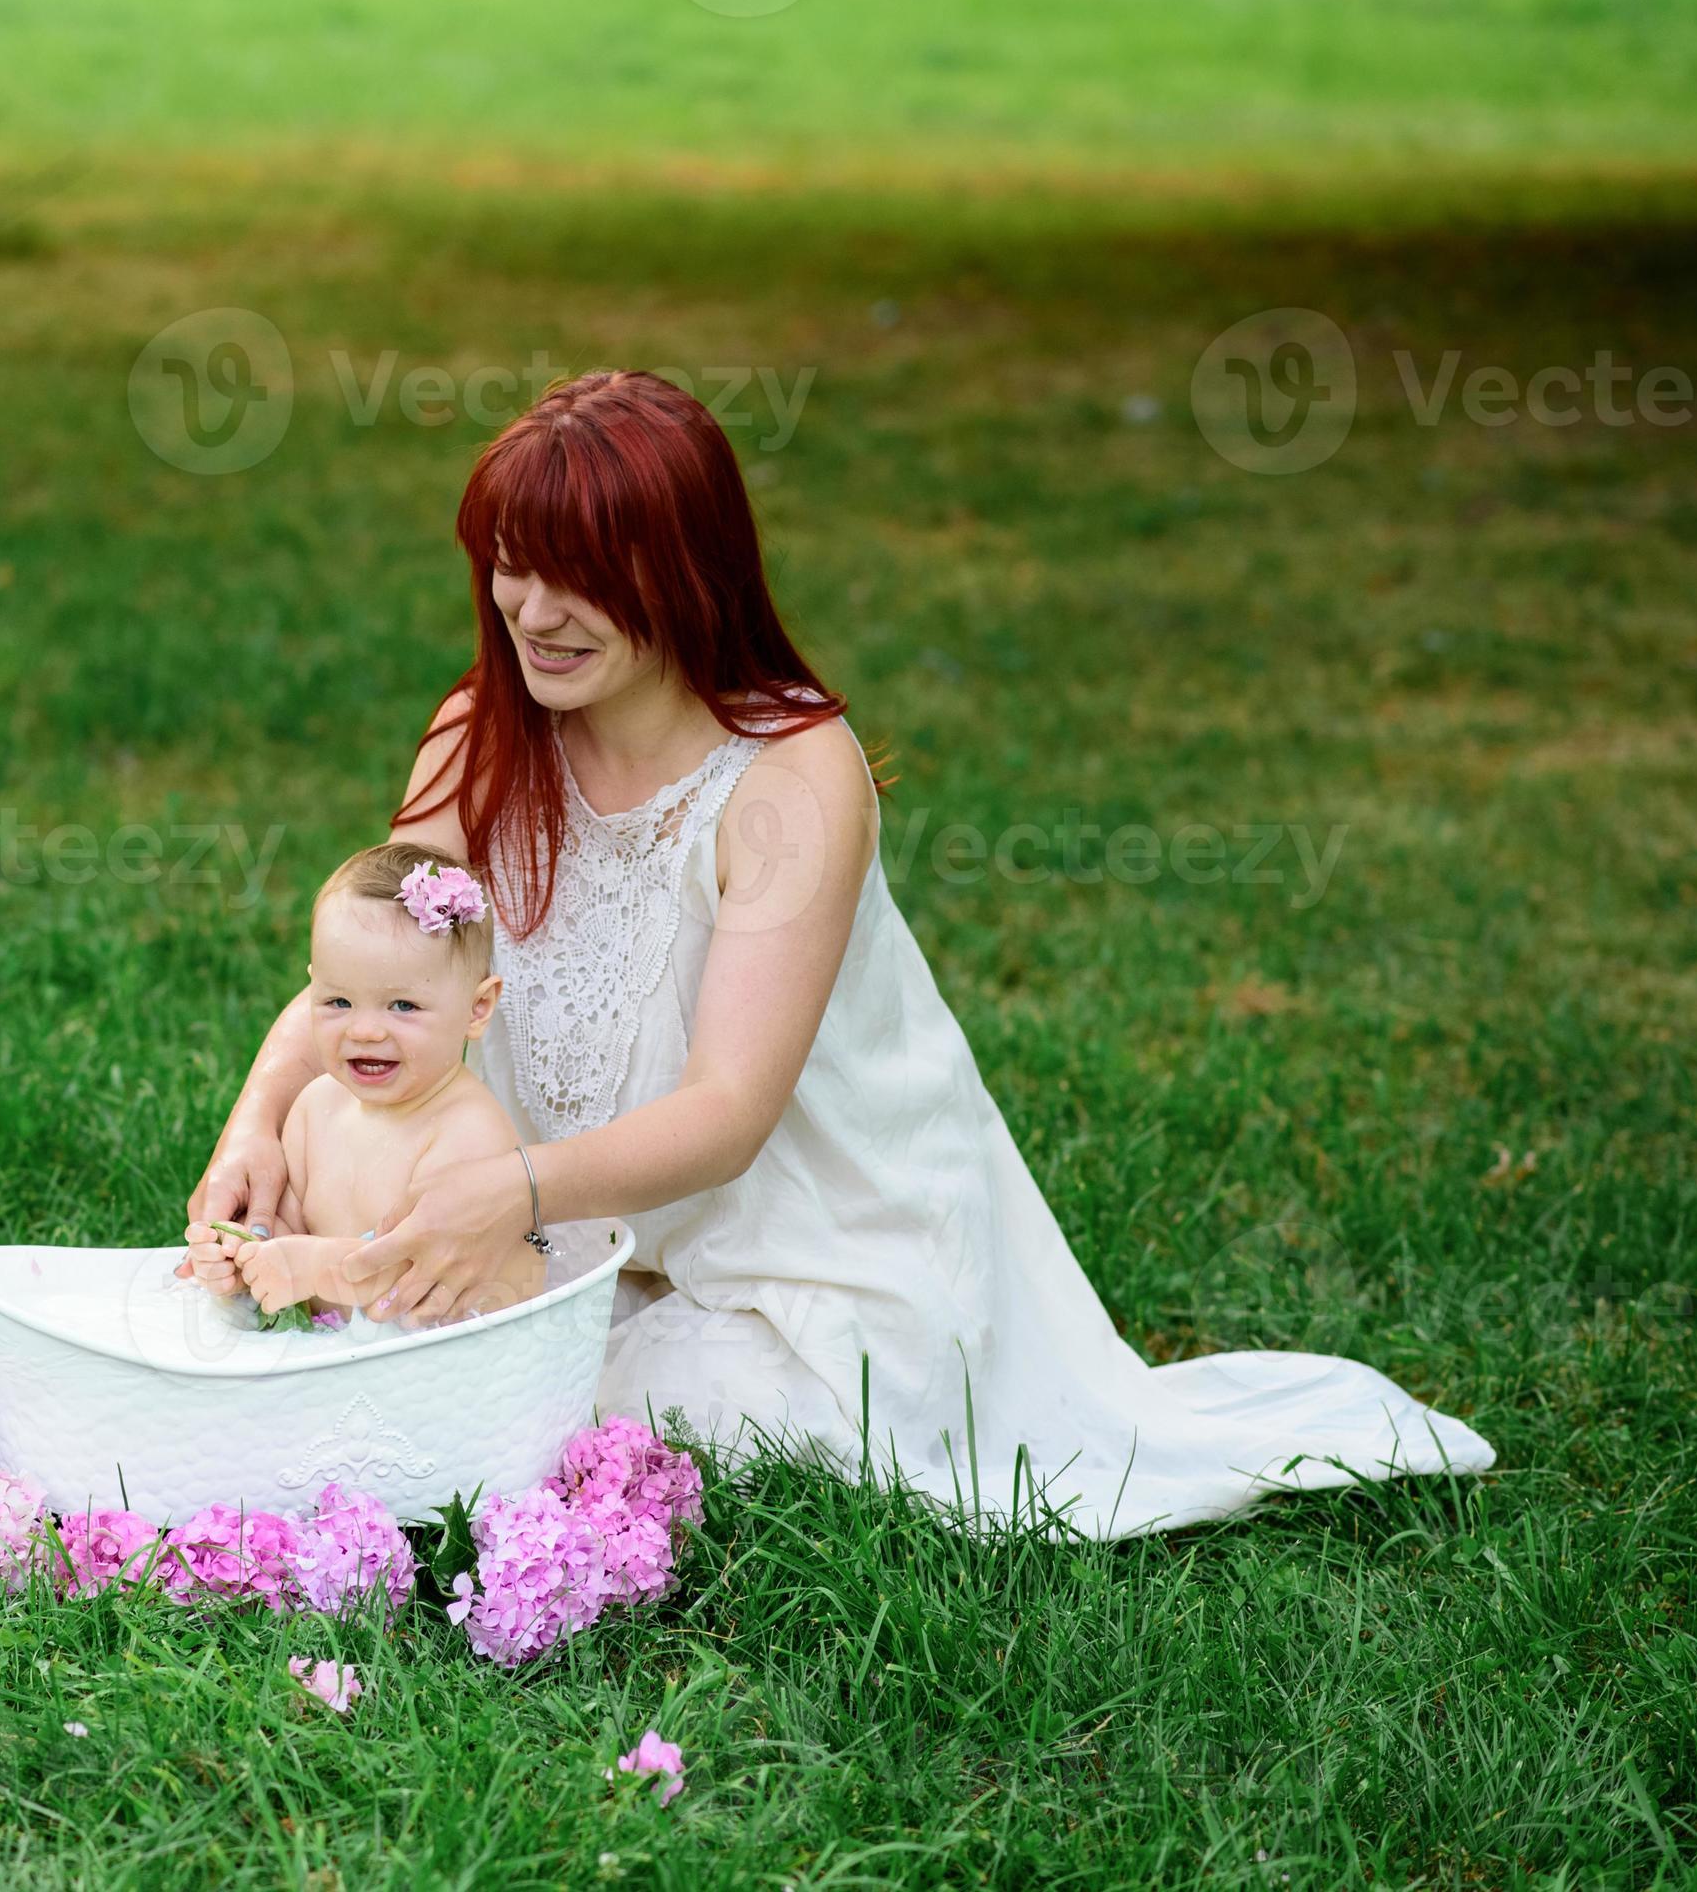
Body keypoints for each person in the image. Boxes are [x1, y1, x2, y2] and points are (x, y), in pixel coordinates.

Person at [186, 370, 1494, 1538]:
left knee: (668, 1425)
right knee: (411, 1355)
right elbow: (376, 980)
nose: (534, 610)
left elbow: (728, 1113)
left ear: (685, 569)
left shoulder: (791, 779)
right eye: (511, 564)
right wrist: (259, 1126)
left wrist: (510, 1194)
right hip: (579, 1232)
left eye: (581, 571)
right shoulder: (481, 732)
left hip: (811, 1254)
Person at [183, 843, 540, 1326]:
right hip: (348, 1360)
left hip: (454, 1358)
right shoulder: (315, 1107)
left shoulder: (468, 1132)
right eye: (338, 1002)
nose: (364, 1031)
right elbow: (288, 1225)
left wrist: (315, 1268)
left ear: (477, 1008)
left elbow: (424, 1273)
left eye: (403, 1006)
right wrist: (243, 1254)